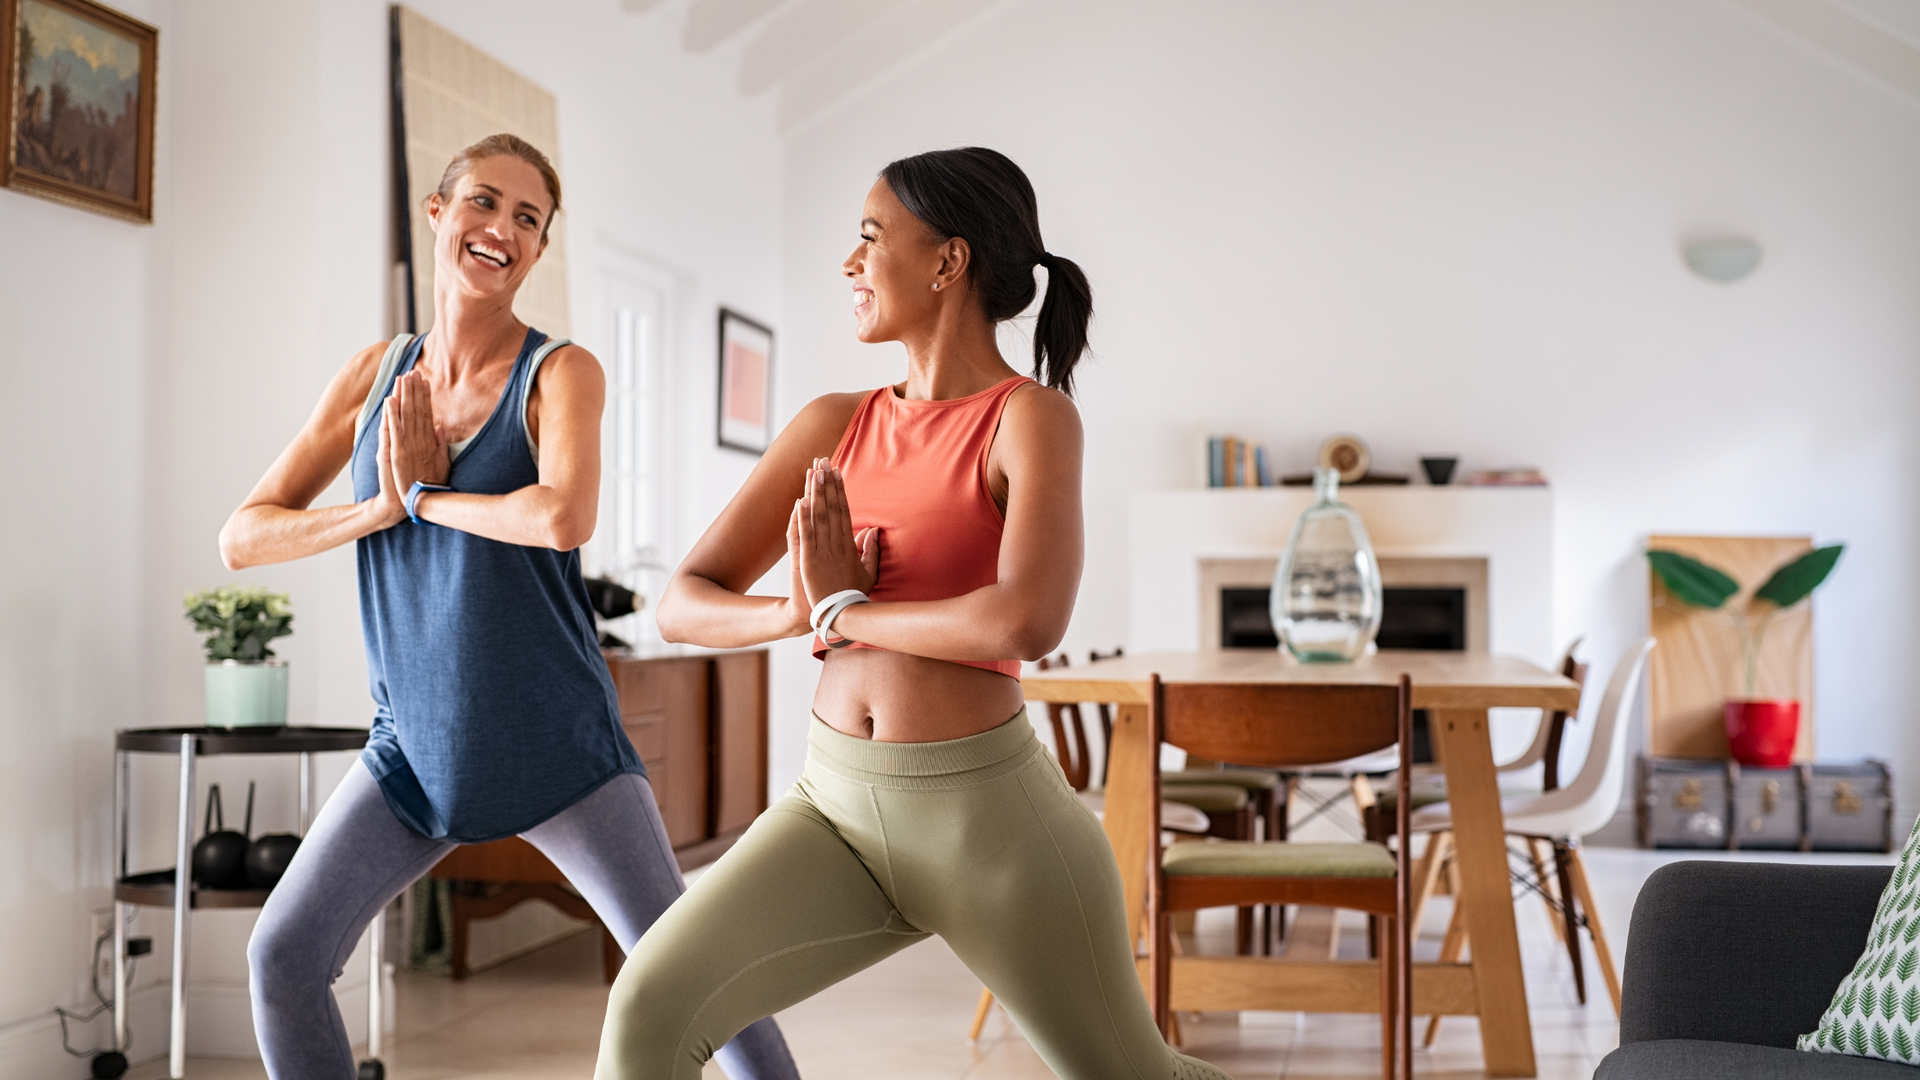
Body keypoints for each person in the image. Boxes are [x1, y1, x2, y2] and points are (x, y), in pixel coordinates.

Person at [594, 147, 1232, 1080]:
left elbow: (1025, 621)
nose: (850, 264)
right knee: (650, 1007)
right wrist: (798, 609)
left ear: (948, 261)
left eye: (869, 237)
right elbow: (684, 601)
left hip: (996, 832)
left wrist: (848, 612)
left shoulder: (1031, 417)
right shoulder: (832, 424)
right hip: (833, 812)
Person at [219, 133, 799, 1080]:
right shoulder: (373, 377)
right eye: (484, 203)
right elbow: (243, 536)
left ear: (538, 250)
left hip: (555, 744)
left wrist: (428, 499)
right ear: (437, 214)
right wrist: (374, 507)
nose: (502, 229)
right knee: (282, 958)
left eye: (528, 219)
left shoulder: (561, 373)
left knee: (694, 979)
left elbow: (564, 516)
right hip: (413, 748)